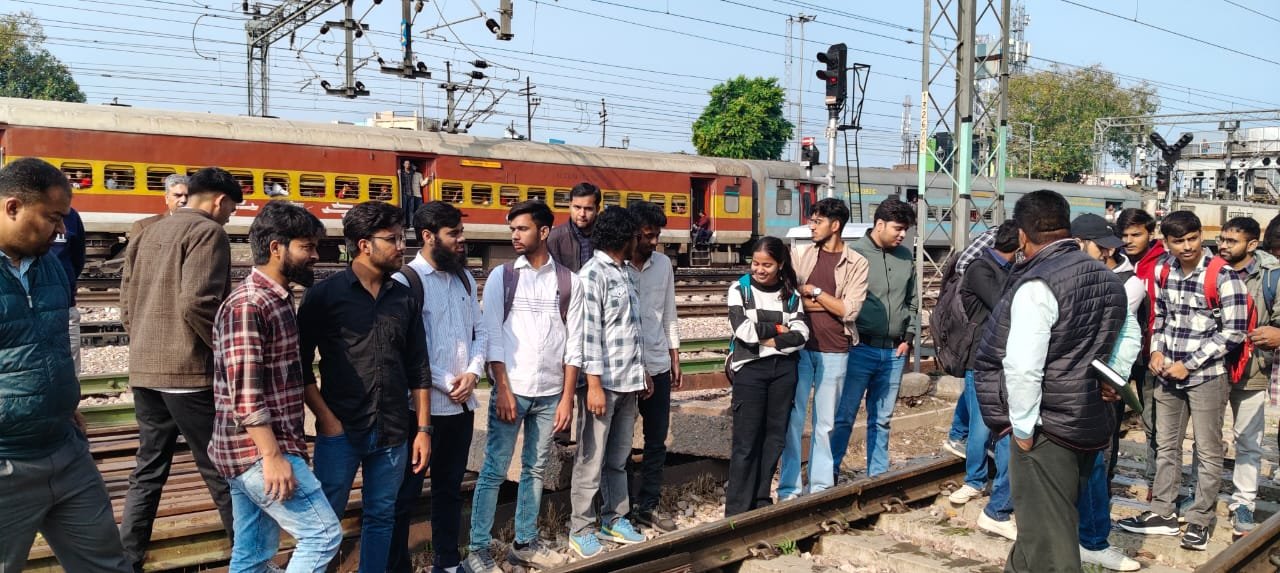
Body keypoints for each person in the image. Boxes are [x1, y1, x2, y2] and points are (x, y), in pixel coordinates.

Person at [973, 190, 1129, 572]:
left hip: (1047, 427)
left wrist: (1022, 427)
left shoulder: (1038, 285)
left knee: (1051, 541)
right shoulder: (1106, 277)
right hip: (1088, 417)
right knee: (1036, 533)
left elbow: (1024, 367)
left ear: (1023, 236)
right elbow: (1129, 339)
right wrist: (1115, 380)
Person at [0, 158, 130, 572]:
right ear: (13, 207)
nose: (62, 229)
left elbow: (49, 343)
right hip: (8, 463)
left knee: (107, 565)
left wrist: (61, 397)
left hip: (65, 451)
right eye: (54, 217)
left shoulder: (50, 267)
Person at [119, 167, 242, 572]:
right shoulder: (209, 233)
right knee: (221, 468)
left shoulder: (147, 230)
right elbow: (197, 303)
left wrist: (143, 344)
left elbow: (126, 303)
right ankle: (250, 556)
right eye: (230, 210)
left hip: (145, 370)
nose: (228, 218)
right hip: (188, 372)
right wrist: (223, 349)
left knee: (148, 467)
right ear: (219, 201)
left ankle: (129, 558)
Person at [209, 201, 343, 572]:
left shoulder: (276, 299)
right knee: (323, 536)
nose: (315, 256)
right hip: (257, 452)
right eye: (307, 247)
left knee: (251, 558)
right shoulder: (250, 304)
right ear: (276, 248)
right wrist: (272, 456)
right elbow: (246, 393)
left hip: (251, 450)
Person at [299, 201, 432, 573]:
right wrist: (325, 419)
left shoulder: (404, 297)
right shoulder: (324, 297)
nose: (400, 246)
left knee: (381, 516)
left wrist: (422, 429)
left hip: (393, 431)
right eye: (391, 239)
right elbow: (299, 366)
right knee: (325, 523)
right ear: (363, 244)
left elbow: (418, 367)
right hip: (340, 430)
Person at [1117, 211, 1247, 551]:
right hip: (1167, 373)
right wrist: (1157, 352)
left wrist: (1188, 364)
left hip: (1206, 376)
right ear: (1167, 243)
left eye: (1193, 238)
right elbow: (1160, 317)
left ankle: (1201, 518)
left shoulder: (1223, 276)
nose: (1188, 247)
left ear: (1201, 235)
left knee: (1207, 450)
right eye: (1179, 241)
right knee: (1166, 444)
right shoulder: (1163, 271)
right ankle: (1163, 511)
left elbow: (1234, 331)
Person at [462, 200, 579, 573]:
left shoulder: (568, 281)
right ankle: (478, 549)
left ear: (544, 232)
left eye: (522, 228)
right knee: (494, 469)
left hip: (549, 394)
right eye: (512, 228)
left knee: (535, 468)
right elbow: (490, 332)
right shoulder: (503, 276)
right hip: (512, 390)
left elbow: (574, 343)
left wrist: (566, 400)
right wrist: (504, 388)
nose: (514, 235)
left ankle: (524, 544)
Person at [390, 201, 486, 573]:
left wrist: (475, 372)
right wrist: (448, 381)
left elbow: (481, 332)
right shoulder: (406, 283)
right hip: (421, 413)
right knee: (406, 496)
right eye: (454, 234)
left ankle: (447, 562)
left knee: (449, 491)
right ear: (428, 237)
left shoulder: (463, 278)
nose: (462, 240)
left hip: (461, 409)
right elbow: (409, 351)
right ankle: (397, 566)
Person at [567, 207, 650, 558]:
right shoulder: (592, 275)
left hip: (628, 381)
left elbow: (631, 328)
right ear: (624, 238)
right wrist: (595, 385)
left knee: (618, 458)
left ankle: (614, 518)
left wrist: (642, 369)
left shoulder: (628, 273)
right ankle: (580, 528)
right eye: (636, 236)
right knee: (591, 457)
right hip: (603, 384)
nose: (640, 242)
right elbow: (588, 335)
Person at [778, 198, 868, 501]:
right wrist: (826, 302)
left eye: (817, 221)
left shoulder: (857, 263)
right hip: (801, 348)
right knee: (793, 419)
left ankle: (820, 488)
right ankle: (789, 489)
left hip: (836, 350)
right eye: (811, 221)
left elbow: (849, 311)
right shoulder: (800, 255)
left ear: (835, 225)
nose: (811, 226)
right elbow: (787, 299)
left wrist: (814, 291)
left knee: (826, 424)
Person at [1069, 213, 1144, 572]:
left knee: (1093, 465)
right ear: (1080, 242)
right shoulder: (1046, 279)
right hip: (1057, 391)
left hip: (1093, 391)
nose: (1107, 255)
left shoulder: (1110, 282)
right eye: (1101, 247)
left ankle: (1094, 541)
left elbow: (1129, 333)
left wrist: (1113, 377)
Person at [831, 197, 918, 478]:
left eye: (905, 229)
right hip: (859, 349)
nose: (903, 234)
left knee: (882, 419)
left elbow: (913, 301)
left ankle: (877, 476)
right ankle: (827, 473)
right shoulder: (853, 254)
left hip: (894, 352)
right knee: (844, 416)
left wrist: (909, 337)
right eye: (898, 228)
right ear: (879, 224)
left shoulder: (906, 257)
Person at [725, 236, 810, 516]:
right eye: (756, 263)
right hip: (750, 369)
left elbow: (802, 335)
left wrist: (769, 339)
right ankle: (737, 509)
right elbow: (743, 331)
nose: (759, 270)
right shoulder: (740, 289)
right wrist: (778, 329)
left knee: (774, 438)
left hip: (783, 372)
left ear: (780, 265)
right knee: (746, 441)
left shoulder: (791, 295)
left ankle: (761, 499)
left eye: (767, 265)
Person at [946, 221, 1020, 542]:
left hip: (1005, 359)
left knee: (1003, 427)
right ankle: (974, 480)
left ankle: (995, 483)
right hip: (981, 359)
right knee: (982, 423)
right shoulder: (981, 268)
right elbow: (1003, 304)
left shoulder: (1009, 266)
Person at [1213, 217, 1275, 537]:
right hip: (1210, 369)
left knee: (1248, 441)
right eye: (1221, 239)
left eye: (1231, 241)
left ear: (1251, 245)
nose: (1223, 245)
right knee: (1206, 437)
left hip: (1251, 370)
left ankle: (1243, 504)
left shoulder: (1271, 275)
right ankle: (1204, 498)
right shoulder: (1210, 270)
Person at [625, 200, 684, 532]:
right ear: (633, 234)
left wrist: (675, 355)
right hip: (624, 370)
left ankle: (648, 505)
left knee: (656, 441)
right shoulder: (616, 267)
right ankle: (619, 508)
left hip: (659, 364)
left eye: (656, 235)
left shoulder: (663, 265)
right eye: (648, 235)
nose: (653, 242)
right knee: (619, 445)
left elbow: (669, 311)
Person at [1116, 207, 1167, 479]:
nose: (1129, 240)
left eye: (1136, 234)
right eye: (1123, 234)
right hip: (1123, 354)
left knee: (1153, 420)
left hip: (1151, 354)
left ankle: (1154, 478)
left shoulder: (1163, 265)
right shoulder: (1117, 261)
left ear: (1151, 233)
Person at [942, 225, 1000, 459]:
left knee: (973, 388)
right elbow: (963, 263)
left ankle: (959, 435)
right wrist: (983, 283)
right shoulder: (994, 236)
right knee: (977, 387)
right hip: (978, 325)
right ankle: (971, 459)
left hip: (989, 332)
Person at [49, 207, 86, 374]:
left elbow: (78, 258)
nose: (61, 229)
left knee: (70, 372)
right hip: (26, 308)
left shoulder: (71, 215)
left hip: (66, 306)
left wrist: (65, 282)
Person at [546, 182, 600, 273]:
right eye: (577, 207)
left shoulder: (605, 238)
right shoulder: (554, 238)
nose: (582, 214)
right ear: (570, 206)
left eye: (588, 209)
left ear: (597, 209)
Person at [129, 174, 189, 240]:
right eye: (178, 195)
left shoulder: (200, 226)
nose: (184, 200)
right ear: (166, 198)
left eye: (188, 196)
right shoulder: (144, 226)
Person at [398, 161, 426, 229]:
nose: (408, 165)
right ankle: (404, 224)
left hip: (411, 194)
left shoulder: (412, 173)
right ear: (403, 165)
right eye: (406, 164)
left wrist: (427, 179)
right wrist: (399, 174)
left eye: (409, 164)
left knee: (411, 210)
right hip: (404, 193)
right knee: (404, 210)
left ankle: (411, 225)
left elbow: (415, 170)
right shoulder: (401, 172)